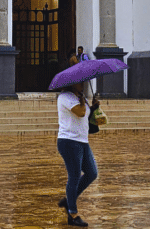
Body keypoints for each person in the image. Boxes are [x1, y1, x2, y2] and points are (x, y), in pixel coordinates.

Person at [56, 82, 99, 226]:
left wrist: (93, 108)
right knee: (74, 176)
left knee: (92, 173)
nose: (83, 85)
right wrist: (83, 102)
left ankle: (69, 201)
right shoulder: (65, 97)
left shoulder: (80, 97)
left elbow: (85, 115)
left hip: (82, 140)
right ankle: (73, 214)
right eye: (80, 83)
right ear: (72, 84)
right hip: (69, 141)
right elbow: (80, 112)